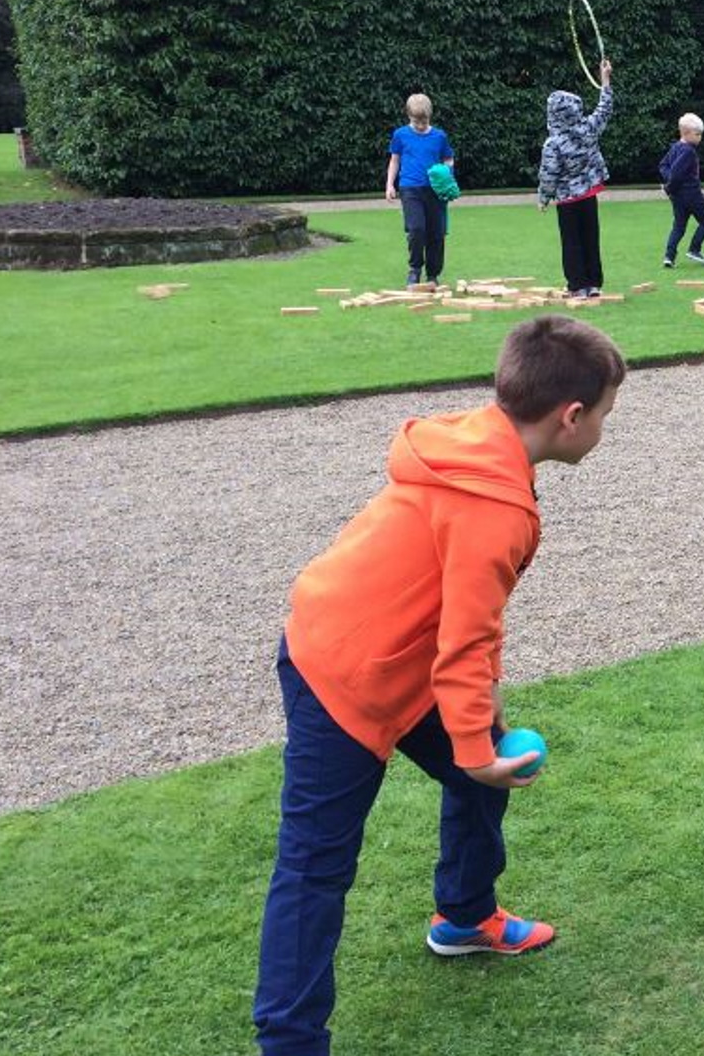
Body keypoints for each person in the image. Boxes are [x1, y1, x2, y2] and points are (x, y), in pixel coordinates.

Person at [252, 314, 628, 1056]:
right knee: (316, 862)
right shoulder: (494, 506)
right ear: (571, 416)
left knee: (485, 769)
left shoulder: (483, 441)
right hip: (343, 668)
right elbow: (462, 637)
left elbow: (470, 624)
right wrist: (472, 737)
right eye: (608, 415)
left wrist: (482, 709)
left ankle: (463, 917)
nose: (606, 430)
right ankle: (289, 1043)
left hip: (402, 653)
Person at [537, 59, 615, 299]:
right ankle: (594, 284)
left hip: (567, 199)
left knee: (571, 241)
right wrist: (605, 81)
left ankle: (577, 286)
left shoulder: (553, 143)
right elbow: (604, 109)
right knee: (590, 237)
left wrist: (543, 198)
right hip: (589, 194)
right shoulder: (588, 128)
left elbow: (548, 174)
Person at [384, 92, 455, 288]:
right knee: (416, 230)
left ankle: (433, 275)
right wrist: (390, 184)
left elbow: (448, 159)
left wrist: (448, 176)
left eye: (424, 121)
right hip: (410, 189)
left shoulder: (439, 136)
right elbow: (395, 160)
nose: (421, 125)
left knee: (436, 234)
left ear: (430, 116)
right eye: (417, 121)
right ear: (409, 116)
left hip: (435, 191)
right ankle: (415, 270)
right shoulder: (400, 135)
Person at [658, 112, 704, 267]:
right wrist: (669, 187)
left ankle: (669, 256)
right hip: (692, 195)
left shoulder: (675, 147)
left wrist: (670, 185)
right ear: (686, 133)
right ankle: (694, 250)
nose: (700, 137)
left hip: (678, 197)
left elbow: (663, 166)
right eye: (698, 134)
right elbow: (676, 173)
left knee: (679, 226)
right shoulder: (688, 151)